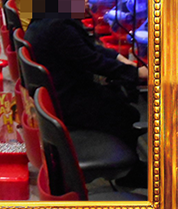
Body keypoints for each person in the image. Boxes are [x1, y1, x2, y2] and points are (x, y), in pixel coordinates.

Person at [25, 17, 147, 157]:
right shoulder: (58, 27)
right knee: (128, 114)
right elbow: (93, 61)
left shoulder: (45, 19)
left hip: (59, 93)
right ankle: (129, 166)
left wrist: (117, 57)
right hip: (68, 101)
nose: (86, 5)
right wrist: (136, 73)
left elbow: (86, 47)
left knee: (118, 99)